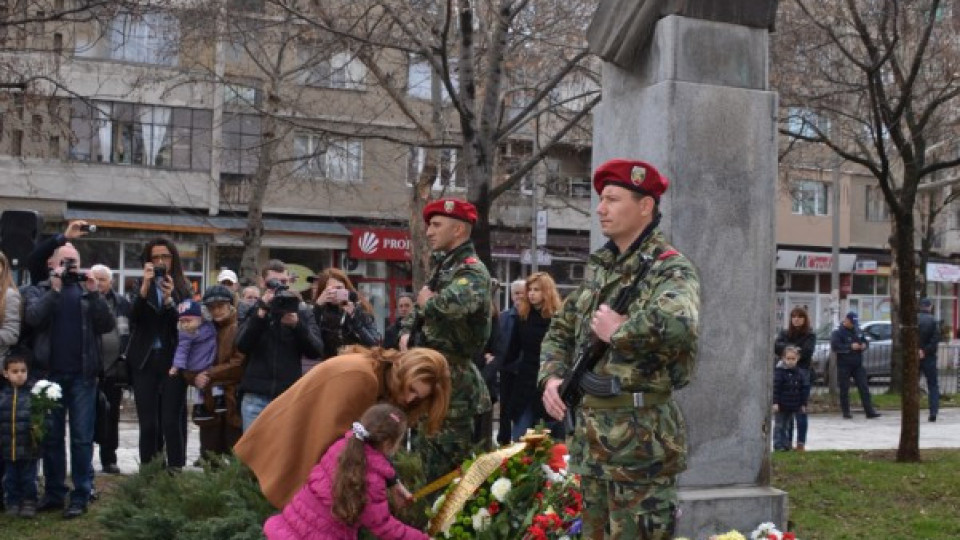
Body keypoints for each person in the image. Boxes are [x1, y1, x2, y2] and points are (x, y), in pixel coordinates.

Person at [539, 159, 700, 540]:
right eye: (601, 200)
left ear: (645, 206)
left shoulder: (670, 269)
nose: (600, 208)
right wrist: (552, 377)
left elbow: (681, 324)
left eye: (612, 199)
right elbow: (560, 328)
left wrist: (621, 331)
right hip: (594, 445)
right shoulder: (602, 272)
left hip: (640, 445)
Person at [234, 346, 450, 509]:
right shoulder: (365, 379)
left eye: (417, 397)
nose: (408, 399)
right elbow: (339, 445)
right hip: (281, 452)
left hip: (284, 449)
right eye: (411, 388)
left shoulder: (376, 374)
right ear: (403, 371)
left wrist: (392, 481)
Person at [399, 198, 493, 482]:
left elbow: (449, 306)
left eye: (436, 225)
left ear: (459, 230)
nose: (428, 231)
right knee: (428, 459)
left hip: (456, 385)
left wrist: (428, 303)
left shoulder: (471, 270)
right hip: (433, 375)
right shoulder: (443, 268)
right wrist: (406, 331)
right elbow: (418, 307)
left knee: (451, 475)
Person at [21, 242, 115, 518]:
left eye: (74, 261)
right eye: (64, 261)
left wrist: (95, 293)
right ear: (52, 264)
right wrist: (55, 290)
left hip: (83, 377)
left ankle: (82, 494)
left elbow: (107, 325)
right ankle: (54, 493)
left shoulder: (88, 292)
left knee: (82, 438)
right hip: (48, 376)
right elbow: (33, 318)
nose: (70, 266)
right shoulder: (38, 289)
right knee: (50, 438)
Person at [263, 403, 428, 540]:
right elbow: (384, 527)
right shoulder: (371, 479)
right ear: (389, 444)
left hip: (287, 528)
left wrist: (393, 481)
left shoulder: (342, 446)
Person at [124, 237, 194, 471]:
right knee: (149, 423)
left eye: (165, 256)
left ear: (173, 259)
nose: (161, 261)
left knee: (171, 421)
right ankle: (149, 470)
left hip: (173, 360)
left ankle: (175, 470)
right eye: (155, 257)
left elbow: (186, 326)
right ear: (148, 261)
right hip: (144, 361)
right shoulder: (139, 286)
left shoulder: (184, 287)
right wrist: (144, 288)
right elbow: (133, 319)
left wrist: (169, 300)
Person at [235, 259, 323, 430]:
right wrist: (260, 314)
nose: (279, 287)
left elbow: (315, 350)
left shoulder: (301, 310)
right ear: (262, 282)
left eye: (283, 282)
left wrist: (297, 326)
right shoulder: (252, 309)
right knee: (253, 455)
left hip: (287, 396)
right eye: (273, 283)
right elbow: (241, 345)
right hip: (256, 396)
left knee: (283, 455)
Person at [180, 285, 245, 460]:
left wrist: (209, 374)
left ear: (230, 305)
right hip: (207, 403)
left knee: (235, 456)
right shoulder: (200, 329)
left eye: (221, 306)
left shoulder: (239, 327)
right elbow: (186, 361)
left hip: (232, 400)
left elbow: (239, 364)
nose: (216, 311)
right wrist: (194, 377)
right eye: (212, 307)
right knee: (209, 457)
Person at [502, 271, 562, 440]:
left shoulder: (557, 318)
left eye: (537, 289)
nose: (532, 293)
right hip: (525, 381)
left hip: (549, 381)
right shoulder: (524, 317)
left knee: (548, 437)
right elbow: (512, 350)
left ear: (547, 291)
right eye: (530, 289)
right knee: (520, 435)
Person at [85, 264, 130, 474]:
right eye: (96, 278)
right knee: (86, 417)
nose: (100, 283)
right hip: (88, 370)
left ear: (110, 282)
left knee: (111, 418)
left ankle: (109, 459)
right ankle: (85, 460)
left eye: (103, 279)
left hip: (113, 371)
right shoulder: (83, 299)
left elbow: (130, 331)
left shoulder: (122, 303)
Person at [169, 299, 221, 422]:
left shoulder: (209, 325)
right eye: (182, 322)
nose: (185, 325)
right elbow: (181, 350)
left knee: (214, 381)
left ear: (200, 318)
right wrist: (176, 366)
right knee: (201, 386)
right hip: (198, 363)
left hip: (210, 358)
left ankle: (218, 398)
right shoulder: (186, 334)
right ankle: (200, 406)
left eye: (188, 320)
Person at [1, 349, 38, 518]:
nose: (20, 375)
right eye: (15, 372)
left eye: (23, 371)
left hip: (28, 448)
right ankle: (13, 502)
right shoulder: (2, 396)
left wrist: (39, 432)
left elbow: (44, 419)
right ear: (5, 373)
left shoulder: (35, 395)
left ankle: (29, 503)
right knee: (10, 478)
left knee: (29, 478)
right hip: (7, 448)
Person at [311, 268, 380, 360]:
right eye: (331, 290)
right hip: (329, 363)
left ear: (347, 289)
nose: (335, 293)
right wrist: (318, 307)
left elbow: (373, 343)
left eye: (339, 288)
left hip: (357, 362)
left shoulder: (360, 308)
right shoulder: (319, 311)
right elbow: (311, 341)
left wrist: (354, 318)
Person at [773, 306, 815, 450]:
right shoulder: (785, 333)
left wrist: (790, 349)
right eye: (794, 316)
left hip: (802, 373)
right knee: (787, 409)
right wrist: (793, 349)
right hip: (786, 374)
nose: (796, 319)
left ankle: (801, 442)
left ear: (805, 319)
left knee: (801, 409)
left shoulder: (809, 334)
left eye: (800, 317)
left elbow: (807, 351)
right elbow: (777, 346)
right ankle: (787, 442)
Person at [830, 311, 881, 420]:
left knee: (864, 387)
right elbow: (835, 346)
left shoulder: (857, 330)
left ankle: (869, 411)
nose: (853, 325)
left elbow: (865, 341)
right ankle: (846, 412)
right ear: (846, 320)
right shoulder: (838, 332)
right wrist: (849, 347)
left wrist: (864, 345)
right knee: (844, 388)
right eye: (852, 322)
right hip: (844, 364)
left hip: (857, 364)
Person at [494, 279, 525, 445]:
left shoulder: (532, 317)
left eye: (522, 293)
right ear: (512, 296)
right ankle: (503, 440)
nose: (519, 296)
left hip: (525, 371)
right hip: (507, 370)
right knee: (505, 408)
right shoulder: (503, 317)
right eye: (516, 293)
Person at [772, 346, 809, 451]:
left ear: (797, 359)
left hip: (792, 405)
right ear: (783, 359)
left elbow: (803, 390)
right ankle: (778, 444)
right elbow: (776, 389)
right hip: (781, 404)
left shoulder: (799, 374)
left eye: (793, 359)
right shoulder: (780, 373)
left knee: (788, 425)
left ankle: (786, 444)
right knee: (779, 425)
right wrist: (775, 402)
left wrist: (803, 404)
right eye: (788, 359)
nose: (791, 361)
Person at [917, 298, 941, 422]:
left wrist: (916, 350)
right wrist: (925, 351)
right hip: (929, 357)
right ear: (930, 307)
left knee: (912, 385)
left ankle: (912, 410)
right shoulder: (933, 321)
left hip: (914, 357)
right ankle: (933, 412)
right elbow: (935, 339)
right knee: (932, 385)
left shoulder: (914, 319)